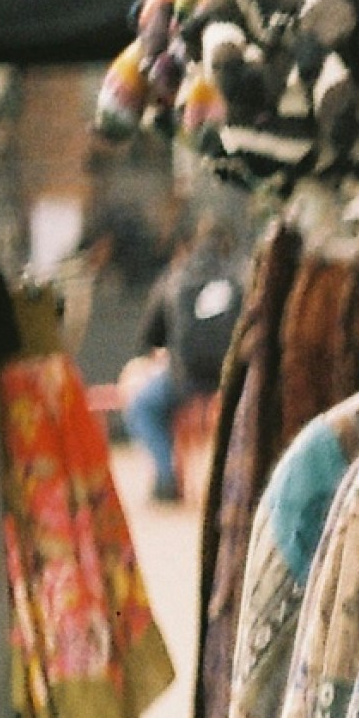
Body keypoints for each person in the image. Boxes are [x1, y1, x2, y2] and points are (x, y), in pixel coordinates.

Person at [120, 207, 247, 503]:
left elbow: (149, 338)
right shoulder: (243, 276)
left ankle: (166, 478)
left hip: (184, 381)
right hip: (232, 382)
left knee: (141, 406)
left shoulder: (175, 276)